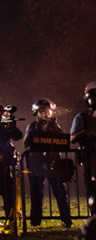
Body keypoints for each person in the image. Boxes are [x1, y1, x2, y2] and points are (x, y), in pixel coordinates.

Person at [24, 99, 73, 228]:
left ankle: (66, 220)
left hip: (53, 162)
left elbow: (62, 141)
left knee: (60, 192)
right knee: (36, 193)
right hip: (36, 162)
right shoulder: (32, 126)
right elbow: (26, 143)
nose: (45, 113)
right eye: (42, 111)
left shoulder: (55, 126)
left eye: (47, 111)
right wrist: (35, 135)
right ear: (36, 113)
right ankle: (35, 221)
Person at [70, 87, 96, 217]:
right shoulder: (82, 118)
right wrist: (84, 133)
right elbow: (72, 138)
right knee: (92, 188)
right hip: (90, 158)